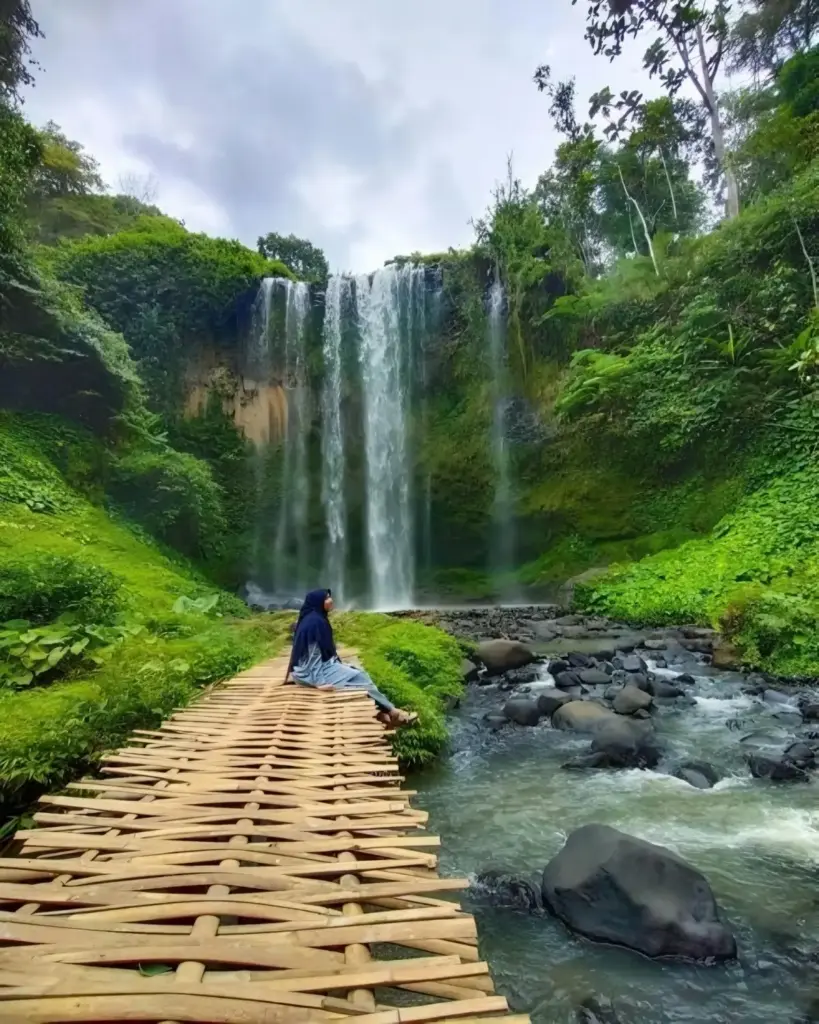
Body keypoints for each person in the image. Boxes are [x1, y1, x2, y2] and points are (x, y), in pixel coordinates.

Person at [286, 588, 418, 727]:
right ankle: (393, 713)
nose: (331, 600)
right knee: (360, 679)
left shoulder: (312, 618)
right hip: (310, 673)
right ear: (318, 602)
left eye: (330, 597)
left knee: (357, 674)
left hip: (306, 670)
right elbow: (313, 653)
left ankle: (385, 713)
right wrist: (319, 682)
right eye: (326, 598)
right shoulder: (315, 622)